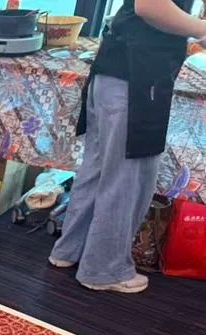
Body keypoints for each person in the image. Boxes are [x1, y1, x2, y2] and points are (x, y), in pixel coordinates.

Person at [48, 0, 206, 292]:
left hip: (118, 74)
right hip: (136, 81)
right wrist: (200, 29)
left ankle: (69, 250)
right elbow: (150, 6)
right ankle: (103, 270)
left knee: (96, 171)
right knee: (127, 179)